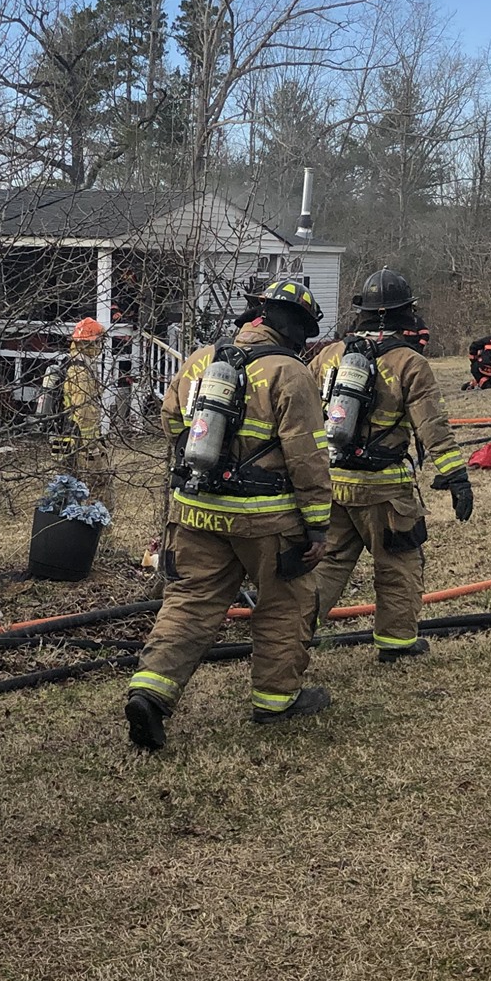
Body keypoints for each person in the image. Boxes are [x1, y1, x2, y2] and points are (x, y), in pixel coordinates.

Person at [124, 278, 333, 751]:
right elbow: (309, 457)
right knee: (284, 604)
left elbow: (170, 420)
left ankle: (150, 691)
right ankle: (275, 700)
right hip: (267, 520)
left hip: (196, 510)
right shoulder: (290, 372)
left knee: (190, 602)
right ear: (296, 328)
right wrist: (317, 525)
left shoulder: (202, 358)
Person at [309, 269, 472, 660]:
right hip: (385, 490)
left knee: (327, 564)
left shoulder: (329, 355)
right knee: (398, 563)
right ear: (404, 313)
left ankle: (289, 635)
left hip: (332, 482)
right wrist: (456, 477)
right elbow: (432, 426)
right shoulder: (409, 363)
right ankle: (397, 643)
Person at [54, 317, 116, 511]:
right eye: (98, 341)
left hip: (69, 435)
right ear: (90, 343)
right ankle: (99, 526)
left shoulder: (75, 363)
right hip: (81, 439)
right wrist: (92, 445)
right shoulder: (80, 371)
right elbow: (85, 410)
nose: (100, 347)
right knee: (99, 484)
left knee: (71, 485)